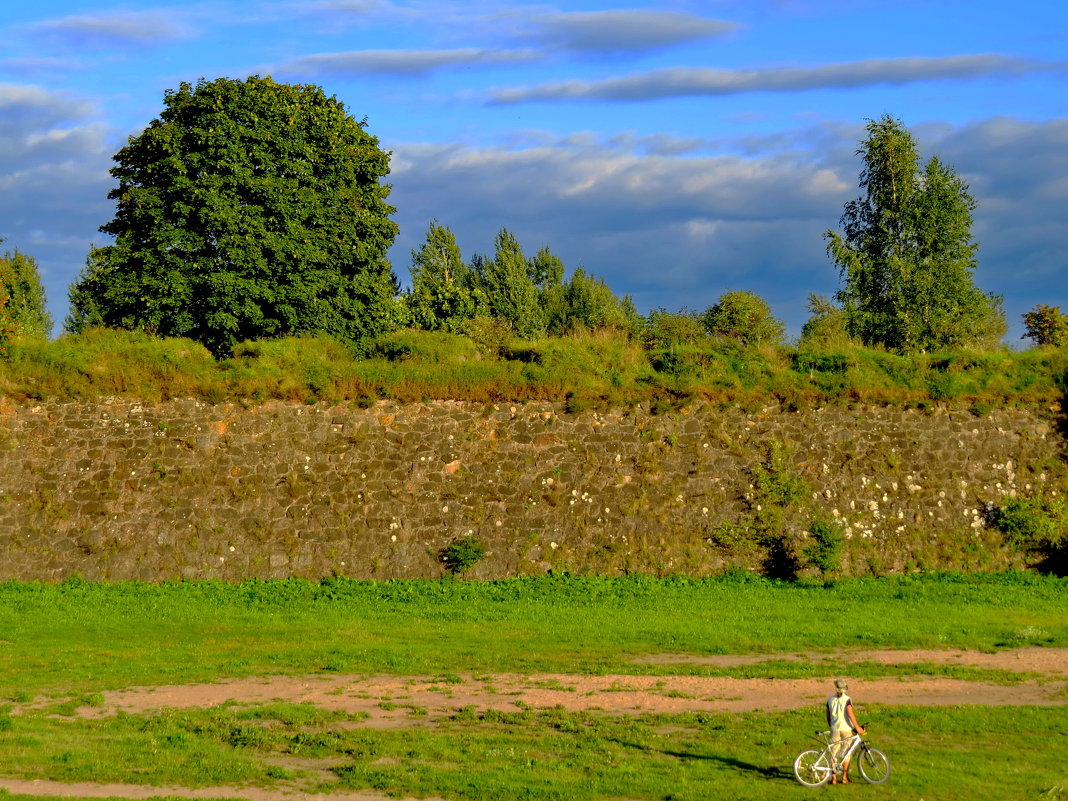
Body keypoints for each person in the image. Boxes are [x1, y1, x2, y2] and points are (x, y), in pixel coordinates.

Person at [826, 678, 865, 784]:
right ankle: (844, 777)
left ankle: (833, 778)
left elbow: (828, 715)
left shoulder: (830, 700)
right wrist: (857, 727)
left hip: (835, 729)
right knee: (846, 753)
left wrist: (831, 725)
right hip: (846, 728)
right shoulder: (847, 699)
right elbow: (849, 712)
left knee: (833, 753)